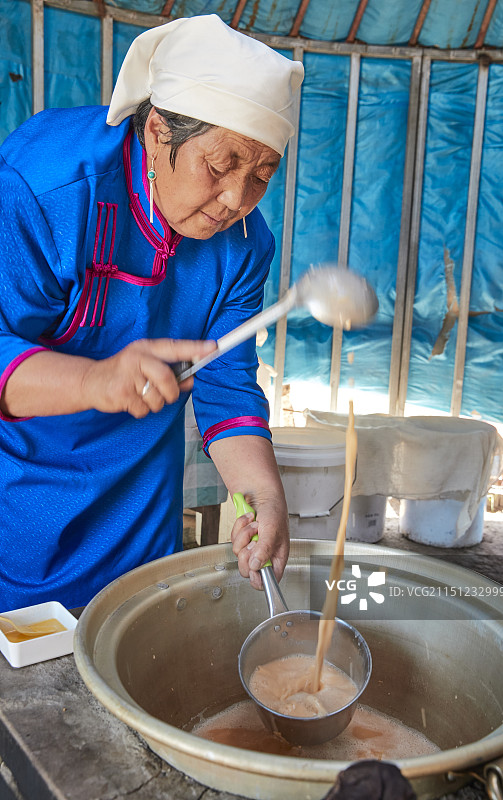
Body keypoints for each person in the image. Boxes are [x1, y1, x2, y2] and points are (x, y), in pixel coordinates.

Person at [0, 15, 304, 609]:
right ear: (158, 130)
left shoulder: (245, 245)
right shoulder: (47, 187)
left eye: (262, 175)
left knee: (134, 648)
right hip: (19, 510)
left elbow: (225, 383)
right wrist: (94, 380)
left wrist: (262, 492)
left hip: (140, 517)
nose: (236, 202)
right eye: (218, 167)